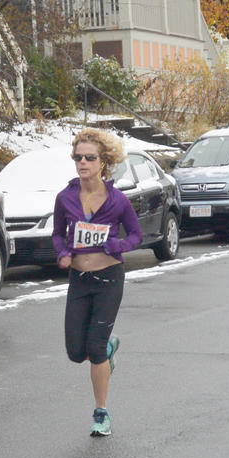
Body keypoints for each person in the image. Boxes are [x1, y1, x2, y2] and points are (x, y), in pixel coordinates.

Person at [52, 128, 141, 437]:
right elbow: (56, 233)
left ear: (104, 161)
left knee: (94, 347)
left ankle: (101, 413)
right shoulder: (65, 198)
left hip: (109, 278)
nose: (83, 162)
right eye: (78, 157)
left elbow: (135, 235)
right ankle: (108, 348)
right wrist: (62, 252)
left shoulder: (116, 200)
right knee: (76, 352)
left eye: (90, 157)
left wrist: (116, 246)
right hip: (79, 279)